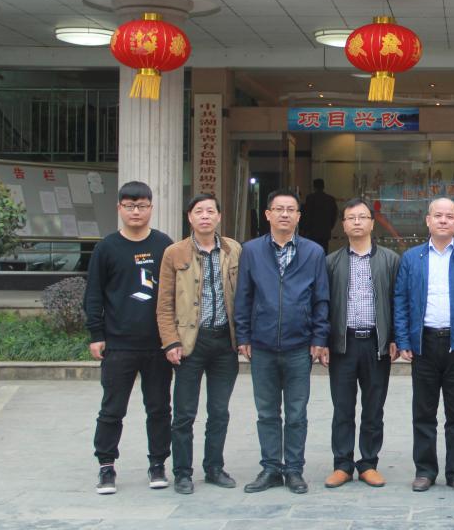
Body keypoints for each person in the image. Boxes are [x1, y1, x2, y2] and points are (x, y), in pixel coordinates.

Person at [234, 189, 330, 495]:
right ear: (268, 214)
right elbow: (243, 296)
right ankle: (271, 468)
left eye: (291, 209)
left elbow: (321, 299)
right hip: (261, 345)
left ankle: (294, 470)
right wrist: (243, 335)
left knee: (297, 413)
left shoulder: (313, 252)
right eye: (279, 209)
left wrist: (319, 337)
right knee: (266, 412)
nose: (285, 214)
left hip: (299, 346)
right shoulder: (251, 251)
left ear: (299, 216)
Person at [394, 197, 454, 493]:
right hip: (423, 343)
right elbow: (400, 301)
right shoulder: (411, 258)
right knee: (423, 412)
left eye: (450, 216)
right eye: (438, 215)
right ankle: (425, 470)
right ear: (428, 220)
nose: (444, 220)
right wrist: (403, 339)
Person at [84, 181, 174, 495]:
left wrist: (174, 337)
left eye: (142, 205)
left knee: (159, 408)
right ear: (119, 208)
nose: (136, 211)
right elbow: (93, 294)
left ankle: (158, 463)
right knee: (112, 409)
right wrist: (96, 334)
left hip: (158, 344)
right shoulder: (106, 248)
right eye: (130, 206)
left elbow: (175, 292)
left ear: (151, 208)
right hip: (118, 343)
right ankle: (106, 465)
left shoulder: (164, 245)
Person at [155, 194, 242, 495]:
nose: (205, 216)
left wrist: (243, 338)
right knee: (184, 413)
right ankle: (182, 472)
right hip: (190, 342)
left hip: (224, 342)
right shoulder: (174, 252)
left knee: (219, 411)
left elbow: (243, 296)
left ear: (219, 216)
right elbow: (164, 303)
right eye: (199, 211)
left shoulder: (233, 249)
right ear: (189, 217)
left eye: (210, 211)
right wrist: (170, 341)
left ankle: (214, 467)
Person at [323, 198, 401, 489]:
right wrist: (323, 342)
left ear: (372, 223)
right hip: (343, 344)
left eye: (362, 217)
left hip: (375, 344)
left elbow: (397, 302)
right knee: (342, 408)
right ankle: (342, 464)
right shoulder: (331, 262)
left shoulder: (390, 260)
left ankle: (368, 463)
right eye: (350, 218)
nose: (356, 222)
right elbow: (323, 305)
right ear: (343, 225)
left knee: (373, 408)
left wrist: (395, 338)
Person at [303, 178, 338, 254]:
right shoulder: (330, 199)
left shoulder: (310, 198)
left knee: (313, 252)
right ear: (323, 186)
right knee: (324, 251)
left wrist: (305, 230)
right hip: (325, 231)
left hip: (313, 232)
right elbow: (334, 215)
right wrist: (329, 226)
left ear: (314, 187)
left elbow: (307, 215)